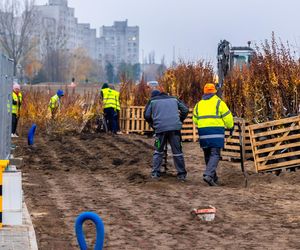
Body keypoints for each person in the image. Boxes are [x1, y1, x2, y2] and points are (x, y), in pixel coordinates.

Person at [193, 83, 234, 186]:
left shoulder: (199, 104)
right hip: (216, 132)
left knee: (207, 154)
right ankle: (208, 175)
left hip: (203, 132)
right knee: (215, 154)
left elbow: (195, 119)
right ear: (214, 92)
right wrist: (230, 127)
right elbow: (228, 118)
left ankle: (213, 177)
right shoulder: (219, 103)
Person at [144, 89, 189, 181]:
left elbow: (147, 115)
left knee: (158, 150)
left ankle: (155, 173)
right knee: (177, 152)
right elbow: (185, 109)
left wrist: (153, 124)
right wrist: (180, 120)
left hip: (160, 130)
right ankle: (181, 175)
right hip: (175, 130)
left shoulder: (152, 101)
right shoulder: (174, 99)